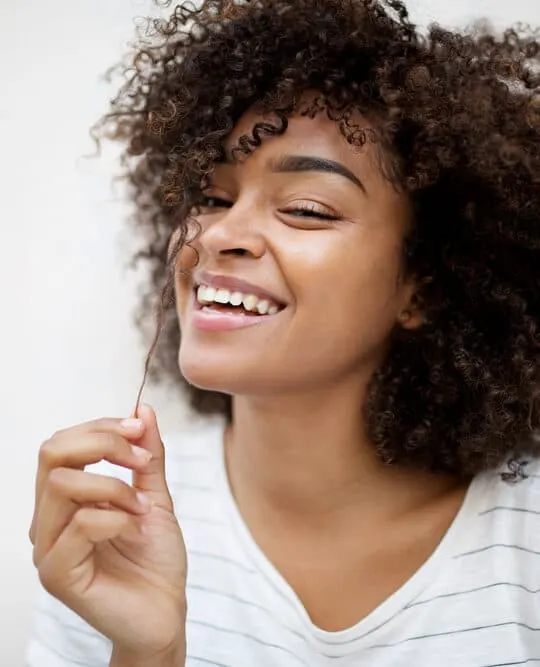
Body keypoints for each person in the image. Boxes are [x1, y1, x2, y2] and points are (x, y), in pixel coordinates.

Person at [27, 0, 540, 666]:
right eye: (211, 198)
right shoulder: (108, 529)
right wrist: (145, 651)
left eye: (305, 208)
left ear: (427, 286)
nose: (220, 234)